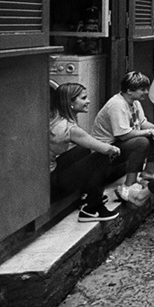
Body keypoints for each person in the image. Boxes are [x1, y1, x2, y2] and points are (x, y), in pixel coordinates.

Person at [50, 83, 121, 222]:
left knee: (83, 150)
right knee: (101, 156)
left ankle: (87, 196)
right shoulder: (70, 129)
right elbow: (105, 149)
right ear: (70, 102)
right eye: (83, 98)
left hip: (46, 177)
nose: (88, 101)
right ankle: (91, 208)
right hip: (51, 187)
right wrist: (115, 149)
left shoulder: (55, 119)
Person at [93, 72, 154, 203]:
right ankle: (128, 186)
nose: (146, 92)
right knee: (141, 142)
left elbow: (142, 123)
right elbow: (123, 135)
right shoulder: (117, 104)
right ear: (129, 91)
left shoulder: (135, 102)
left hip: (119, 144)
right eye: (142, 89)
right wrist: (150, 132)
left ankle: (148, 173)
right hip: (105, 150)